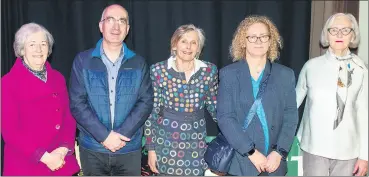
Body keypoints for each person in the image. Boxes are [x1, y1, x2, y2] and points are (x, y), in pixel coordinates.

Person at [69, 4, 153, 176]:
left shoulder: (139, 63)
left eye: (122, 21)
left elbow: (145, 101)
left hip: (128, 149)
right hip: (93, 149)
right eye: (110, 20)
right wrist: (104, 137)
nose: (116, 26)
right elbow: (77, 103)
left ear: (127, 29)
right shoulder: (83, 60)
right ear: (101, 26)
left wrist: (122, 135)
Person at [216, 15, 298, 176]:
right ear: (243, 41)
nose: (259, 41)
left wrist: (279, 152)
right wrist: (251, 152)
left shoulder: (285, 75)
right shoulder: (229, 75)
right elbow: (225, 118)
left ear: (270, 41)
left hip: (274, 163)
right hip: (241, 162)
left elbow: (291, 117)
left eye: (264, 36)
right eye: (252, 37)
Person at [1, 22, 80, 176]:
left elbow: (68, 117)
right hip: (27, 165)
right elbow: (10, 131)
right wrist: (45, 157)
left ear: (48, 49)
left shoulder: (58, 78)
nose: (38, 49)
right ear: (22, 49)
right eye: (32, 44)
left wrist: (63, 149)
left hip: (59, 161)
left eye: (43, 44)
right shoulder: (8, 83)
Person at [296, 13, 368, 176]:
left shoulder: (362, 69)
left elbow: (364, 114)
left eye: (345, 30)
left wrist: (365, 156)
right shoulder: (311, 67)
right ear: (326, 35)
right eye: (334, 30)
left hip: (348, 152)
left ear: (353, 35)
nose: (339, 35)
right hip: (313, 148)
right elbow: (292, 106)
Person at [144, 24, 218, 176]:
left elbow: (215, 107)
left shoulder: (209, 71)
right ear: (175, 44)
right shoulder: (158, 70)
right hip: (165, 143)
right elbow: (152, 112)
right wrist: (151, 149)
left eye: (194, 42)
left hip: (196, 143)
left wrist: (236, 132)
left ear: (199, 48)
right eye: (184, 41)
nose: (188, 47)